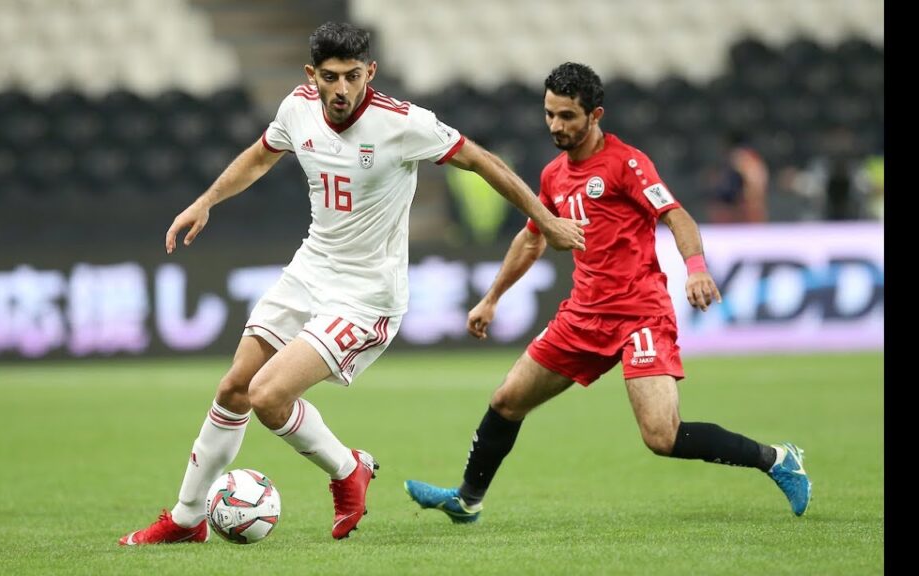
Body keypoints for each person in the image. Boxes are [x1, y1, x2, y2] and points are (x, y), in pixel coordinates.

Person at [118, 23, 585, 545]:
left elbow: (482, 160)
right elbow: (260, 155)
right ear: (311, 74)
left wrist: (545, 219)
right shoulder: (297, 107)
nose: (341, 90)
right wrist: (206, 201)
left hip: (367, 295)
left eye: (353, 77)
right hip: (309, 270)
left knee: (268, 396)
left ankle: (346, 469)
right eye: (330, 77)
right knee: (233, 389)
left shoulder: (402, 123)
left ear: (371, 72)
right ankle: (186, 519)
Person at [404, 62, 811, 524]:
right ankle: (467, 500)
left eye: (567, 117)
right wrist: (492, 297)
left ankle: (777, 459)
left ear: (595, 115)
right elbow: (532, 237)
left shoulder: (626, 164)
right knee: (506, 401)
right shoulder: (554, 175)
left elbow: (676, 216)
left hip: (640, 315)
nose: (556, 125)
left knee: (661, 436)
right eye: (550, 114)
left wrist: (695, 268)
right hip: (582, 317)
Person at [707, 131, 768, 223]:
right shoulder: (728, 165)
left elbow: (756, 186)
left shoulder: (749, 161)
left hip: (746, 208)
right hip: (730, 208)